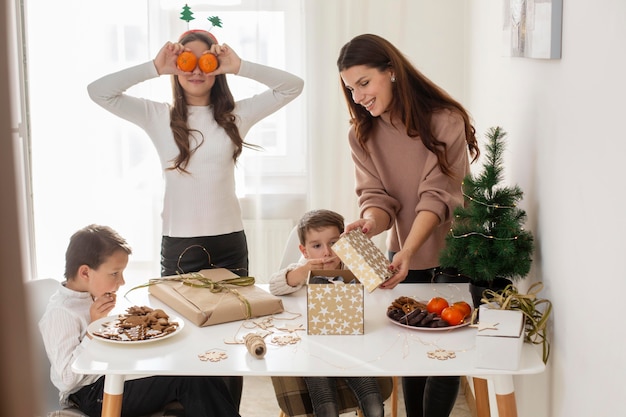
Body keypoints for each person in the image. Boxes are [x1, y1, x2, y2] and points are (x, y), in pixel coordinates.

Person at [88, 30, 304, 407]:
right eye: (187, 59)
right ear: (176, 66)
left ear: (216, 67)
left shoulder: (237, 115)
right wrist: (155, 67)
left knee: (234, 340)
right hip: (180, 247)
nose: (196, 69)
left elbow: (293, 86)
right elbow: (98, 91)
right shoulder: (158, 116)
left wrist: (239, 66)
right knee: (186, 344)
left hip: (230, 246)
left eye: (207, 61)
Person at [336, 34, 480, 417]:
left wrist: (408, 250)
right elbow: (379, 198)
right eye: (351, 89)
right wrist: (369, 223)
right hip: (404, 255)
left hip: (451, 252)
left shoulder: (445, 121)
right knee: (411, 351)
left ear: (392, 72)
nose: (359, 97)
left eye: (364, 83)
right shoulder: (362, 134)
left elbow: (439, 196)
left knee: (446, 355)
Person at [38, 224, 241, 417]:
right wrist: (94, 329)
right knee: (189, 380)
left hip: (112, 375)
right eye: (115, 273)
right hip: (90, 394)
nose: (122, 281)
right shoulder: (61, 313)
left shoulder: (91, 295)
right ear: (85, 272)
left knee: (201, 371)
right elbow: (66, 380)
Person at [269, 209, 384, 417]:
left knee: (374, 406)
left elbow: (381, 278)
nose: (326, 252)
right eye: (316, 246)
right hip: (315, 353)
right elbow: (275, 286)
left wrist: (358, 247)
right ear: (304, 251)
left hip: (353, 349)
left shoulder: (354, 266)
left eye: (333, 243)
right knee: (327, 410)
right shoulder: (304, 270)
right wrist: (304, 270)